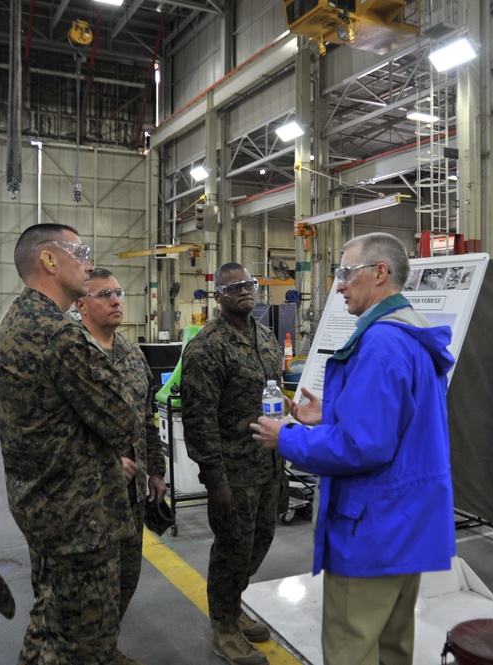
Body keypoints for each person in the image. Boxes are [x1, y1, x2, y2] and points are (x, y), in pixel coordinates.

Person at [250, 232, 456, 665]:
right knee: (393, 647)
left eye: (346, 273)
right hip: (408, 523)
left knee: (351, 648)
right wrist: (332, 412)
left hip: (372, 529)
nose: (339, 285)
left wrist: (285, 437)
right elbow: (400, 421)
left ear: (380, 273)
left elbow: (362, 446)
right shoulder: (410, 333)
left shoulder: (381, 343)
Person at [0, 223, 143, 665]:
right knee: (81, 643)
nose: (89, 262)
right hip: (79, 518)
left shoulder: (15, 321)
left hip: (42, 505)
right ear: (50, 261)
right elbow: (122, 420)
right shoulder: (59, 334)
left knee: (50, 624)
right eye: (81, 252)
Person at [181, 262, 285, 665]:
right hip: (233, 472)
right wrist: (216, 479)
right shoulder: (208, 347)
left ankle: (233, 606)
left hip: (269, 464)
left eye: (248, 284)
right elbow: (199, 418)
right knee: (232, 549)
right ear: (219, 296)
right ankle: (224, 627)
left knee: (259, 543)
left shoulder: (266, 337)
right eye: (233, 287)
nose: (244, 291)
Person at [74, 268, 167, 630]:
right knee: (91, 590)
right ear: (81, 305)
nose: (116, 301)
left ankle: (107, 648)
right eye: (104, 295)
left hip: (131, 494)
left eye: (118, 293)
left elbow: (148, 417)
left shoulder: (131, 352)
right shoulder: (74, 353)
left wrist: (155, 471)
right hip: (89, 497)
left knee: (127, 577)